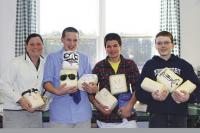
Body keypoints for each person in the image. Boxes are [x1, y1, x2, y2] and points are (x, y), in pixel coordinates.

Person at [135, 31, 200, 128]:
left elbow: (198, 89)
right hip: (156, 117)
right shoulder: (149, 65)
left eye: (166, 42)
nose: (163, 46)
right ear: (156, 46)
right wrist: (152, 96)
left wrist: (188, 97)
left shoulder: (184, 65)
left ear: (172, 45)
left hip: (179, 116)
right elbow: (139, 93)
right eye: (159, 43)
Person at [42, 27, 98, 128]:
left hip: (83, 113)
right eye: (68, 40)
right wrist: (57, 91)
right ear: (62, 40)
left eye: (75, 40)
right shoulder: (52, 58)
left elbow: (90, 81)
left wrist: (92, 88)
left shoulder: (85, 58)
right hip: (60, 113)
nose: (72, 43)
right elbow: (46, 82)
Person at [89, 33, 140, 128]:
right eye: (109, 46)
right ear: (105, 48)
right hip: (105, 119)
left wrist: (129, 107)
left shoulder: (130, 64)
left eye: (115, 46)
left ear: (120, 46)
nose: (112, 49)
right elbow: (90, 93)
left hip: (127, 118)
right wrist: (99, 107)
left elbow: (137, 89)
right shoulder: (99, 66)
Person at [1, 33, 45, 128]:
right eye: (31, 44)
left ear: (43, 45)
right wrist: (20, 100)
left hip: (36, 113)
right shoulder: (15, 62)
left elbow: (47, 87)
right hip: (15, 112)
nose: (35, 47)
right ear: (26, 46)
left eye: (38, 44)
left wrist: (45, 101)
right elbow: (4, 84)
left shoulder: (46, 64)